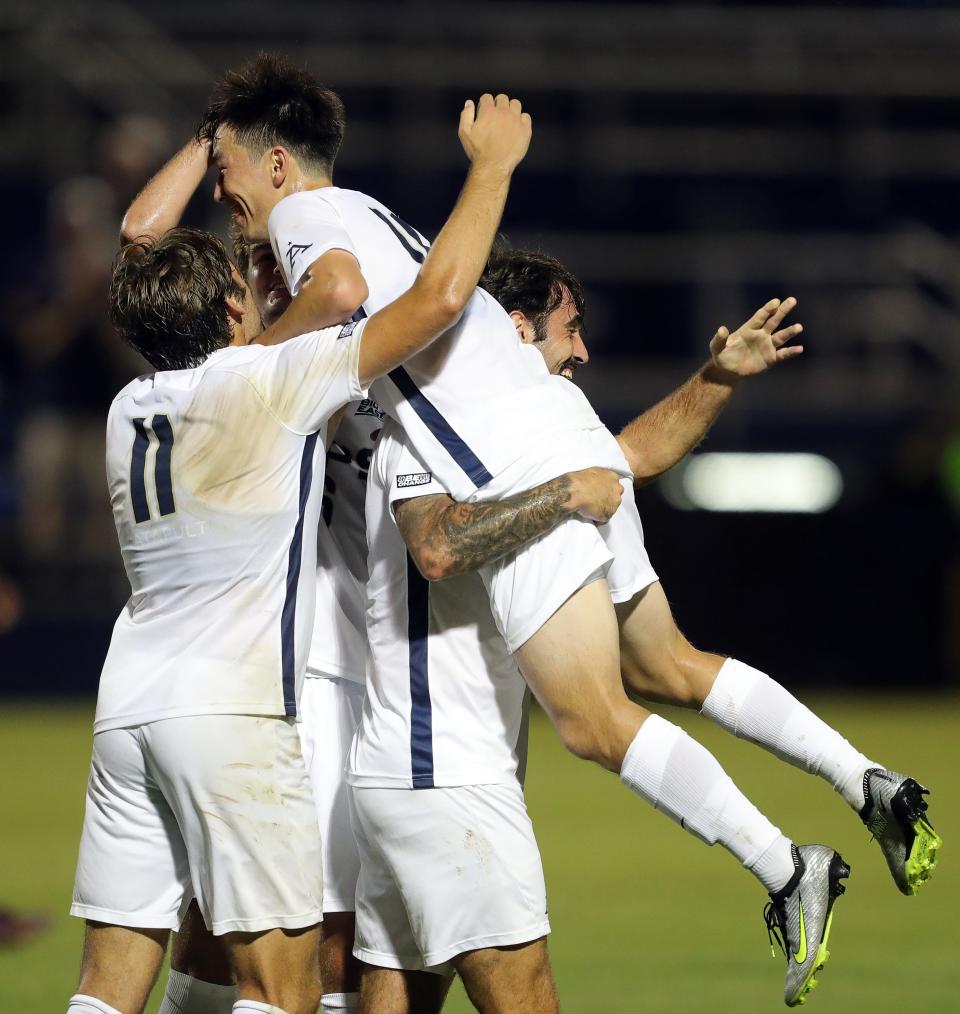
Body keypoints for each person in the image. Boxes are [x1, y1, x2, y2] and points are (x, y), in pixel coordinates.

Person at [197, 55, 863, 1006]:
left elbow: (377, 300)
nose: (221, 189)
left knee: (601, 714)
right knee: (630, 690)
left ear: (274, 167)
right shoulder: (381, 265)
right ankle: (800, 848)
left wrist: (248, 373)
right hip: (435, 746)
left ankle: (792, 858)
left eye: (224, 164)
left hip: (421, 742)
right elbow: (441, 336)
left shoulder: (316, 232)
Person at [65, 93, 532, 1014]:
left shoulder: (132, 408)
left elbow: (138, 241)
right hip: (235, 710)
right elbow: (433, 300)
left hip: (126, 709)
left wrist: (212, 138)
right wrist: (491, 171)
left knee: (106, 983)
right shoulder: (272, 383)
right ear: (234, 304)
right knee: (282, 983)